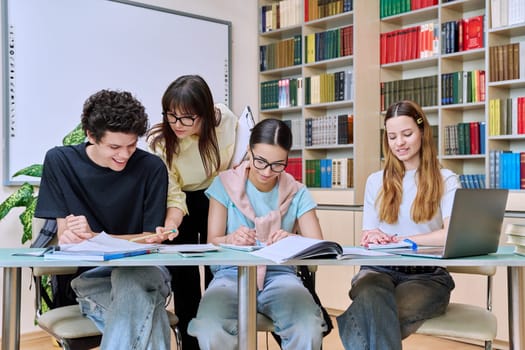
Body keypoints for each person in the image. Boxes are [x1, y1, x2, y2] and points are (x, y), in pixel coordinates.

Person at [34, 89, 176, 350]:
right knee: (150, 314)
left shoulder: (152, 168)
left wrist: (97, 238)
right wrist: (75, 237)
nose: (124, 155)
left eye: (132, 145)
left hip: (146, 273)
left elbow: (151, 243)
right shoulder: (60, 162)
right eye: (114, 147)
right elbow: (69, 241)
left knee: (131, 281)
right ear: (91, 135)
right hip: (92, 280)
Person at [187, 118, 327, 349]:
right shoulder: (224, 184)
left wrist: (293, 239)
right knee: (209, 327)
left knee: (308, 328)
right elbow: (213, 240)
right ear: (248, 152)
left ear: (286, 161)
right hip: (230, 275)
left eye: (277, 165)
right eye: (260, 161)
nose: (266, 172)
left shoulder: (297, 192)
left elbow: (318, 245)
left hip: (280, 276)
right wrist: (231, 239)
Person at [336, 100, 459, 350]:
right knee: (373, 298)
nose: (399, 143)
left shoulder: (446, 179)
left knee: (370, 314)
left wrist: (406, 240)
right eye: (392, 137)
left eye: (407, 134)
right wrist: (373, 237)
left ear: (422, 132)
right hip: (377, 270)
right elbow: (367, 236)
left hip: (427, 276)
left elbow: (451, 235)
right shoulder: (375, 181)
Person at [147, 74, 238, 349]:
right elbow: (173, 191)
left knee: (217, 273)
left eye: (186, 118)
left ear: (206, 113)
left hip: (219, 196)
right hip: (182, 202)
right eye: (171, 116)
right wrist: (173, 223)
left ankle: (218, 340)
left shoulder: (227, 121)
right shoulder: (161, 141)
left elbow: (237, 163)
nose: (177, 124)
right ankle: (190, 345)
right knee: (184, 280)